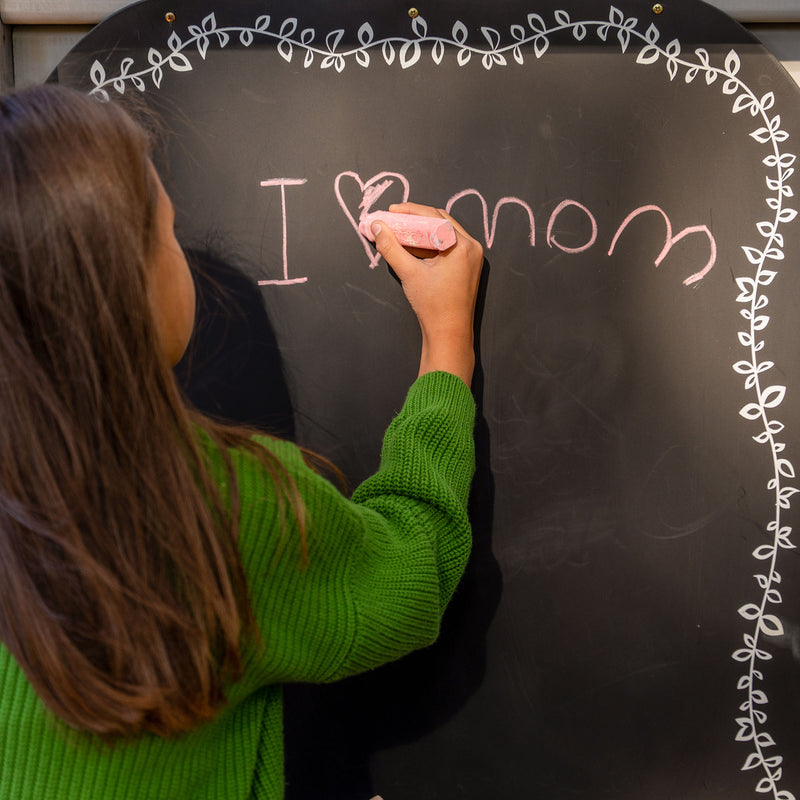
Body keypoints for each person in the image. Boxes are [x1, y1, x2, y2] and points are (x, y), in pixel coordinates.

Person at [0, 84, 483, 799]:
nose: (184, 254)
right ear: (123, 293)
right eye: (167, 232)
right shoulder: (219, 511)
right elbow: (412, 571)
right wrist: (449, 343)